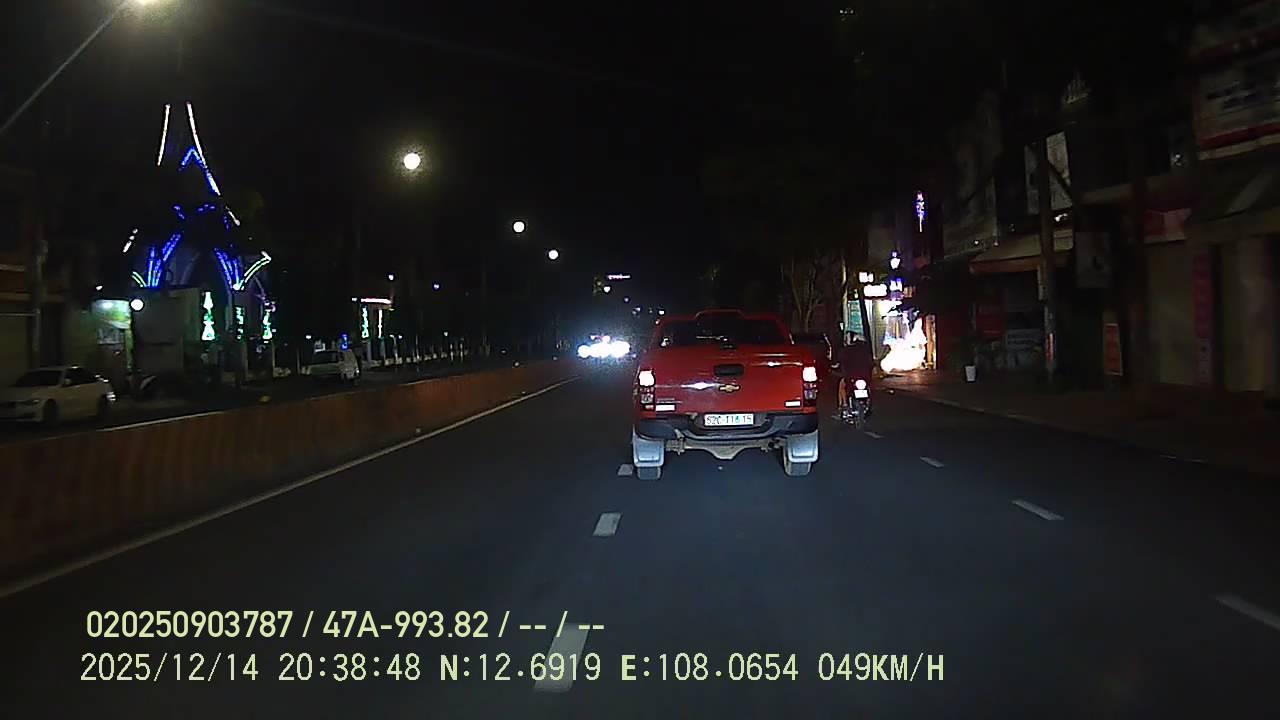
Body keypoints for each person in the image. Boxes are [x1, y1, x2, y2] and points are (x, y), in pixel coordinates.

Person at [837, 332, 875, 416]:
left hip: (851, 377)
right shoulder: (866, 351)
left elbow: (841, 359)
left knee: (842, 385)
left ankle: (844, 405)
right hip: (865, 377)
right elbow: (871, 363)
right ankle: (869, 404)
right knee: (868, 387)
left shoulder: (848, 350)